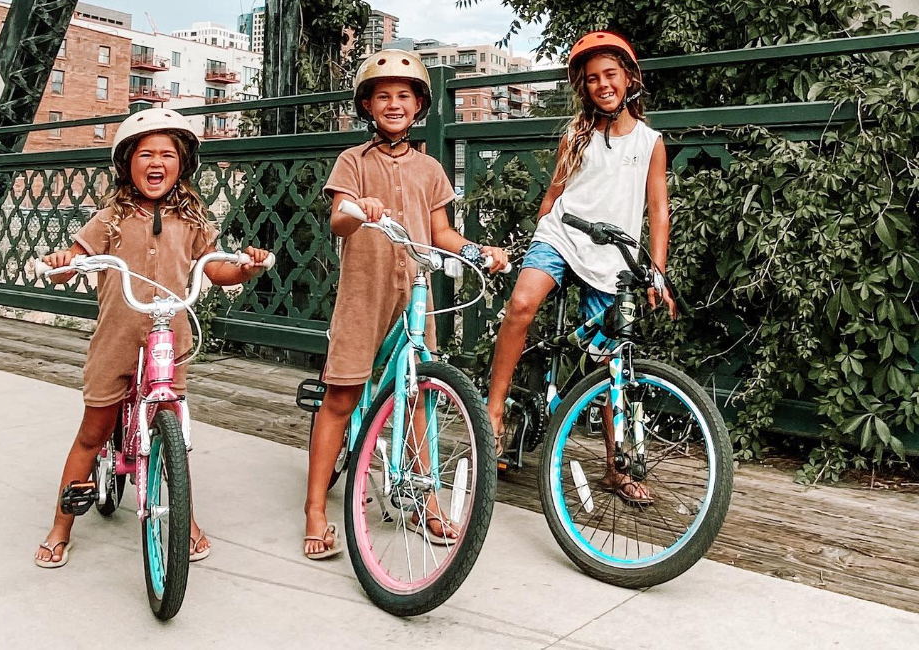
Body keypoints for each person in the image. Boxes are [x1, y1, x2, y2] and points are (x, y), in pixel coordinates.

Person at [34, 108, 270, 568]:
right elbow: (73, 262)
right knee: (94, 430)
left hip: (171, 339)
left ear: (182, 164)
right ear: (128, 164)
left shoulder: (194, 222)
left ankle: (186, 519)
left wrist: (243, 266)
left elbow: (214, 267)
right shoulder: (110, 219)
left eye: (167, 154)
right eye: (146, 154)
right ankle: (60, 525)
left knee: (172, 433)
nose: (156, 162)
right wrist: (63, 260)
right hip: (117, 338)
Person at [303, 50, 509, 559]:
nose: (393, 105)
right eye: (382, 96)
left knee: (418, 394)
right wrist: (358, 209)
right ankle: (314, 509)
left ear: (419, 105)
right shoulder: (353, 161)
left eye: (403, 96)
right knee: (342, 394)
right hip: (363, 293)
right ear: (367, 105)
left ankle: (427, 499)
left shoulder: (431, 168)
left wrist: (479, 251)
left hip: (414, 293)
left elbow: (441, 233)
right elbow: (338, 221)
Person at [486, 32, 676, 506]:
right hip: (562, 235)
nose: (601, 85)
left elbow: (659, 210)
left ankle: (617, 464)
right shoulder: (577, 134)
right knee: (522, 304)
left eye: (610, 75)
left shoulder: (650, 142)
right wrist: (540, 225)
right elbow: (555, 193)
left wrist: (657, 270)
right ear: (583, 87)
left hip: (613, 254)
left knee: (612, 360)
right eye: (592, 79)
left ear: (629, 79)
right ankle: (491, 412)